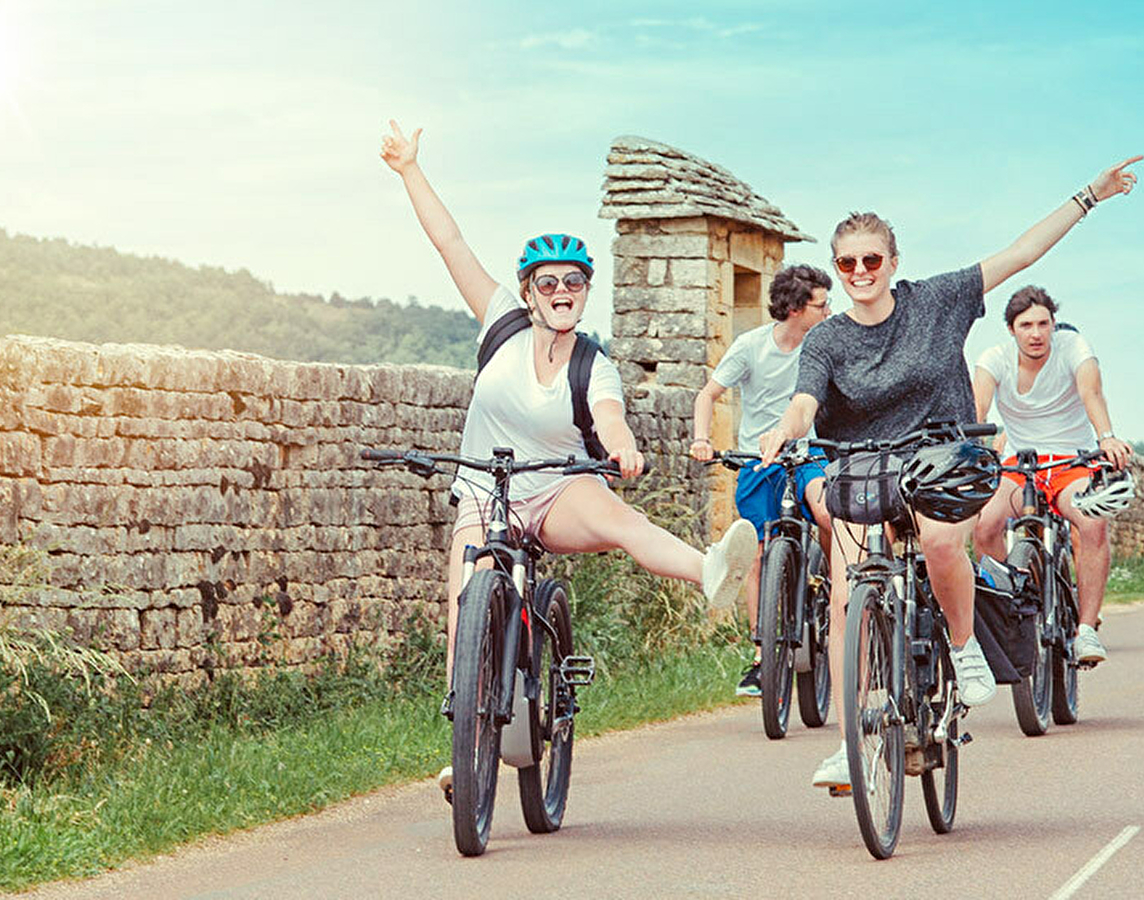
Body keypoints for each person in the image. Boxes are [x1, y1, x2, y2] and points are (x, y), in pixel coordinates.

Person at [379, 120, 758, 798]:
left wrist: (624, 448)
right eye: (548, 281)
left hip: (556, 489)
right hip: (484, 487)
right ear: (528, 290)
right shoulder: (498, 320)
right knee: (466, 604)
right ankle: (468, 743)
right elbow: (449, 242)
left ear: (585, 291)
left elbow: (609, 420)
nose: (561, 291)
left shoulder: (595, 365)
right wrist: (409, 168)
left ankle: (709, 571)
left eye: (574, 282)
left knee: (620, 522)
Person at [759, 154, 1140, 792]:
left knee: (939, 542)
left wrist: (1090, 196)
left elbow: (1020, 253)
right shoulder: (827, 340)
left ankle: (964, 651)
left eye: (871, 261)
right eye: (847, 263)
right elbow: (804, 403)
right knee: (848, 595)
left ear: (893, 263)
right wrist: (785, 429)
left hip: (946, 454)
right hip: (866, 464)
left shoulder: (936, 300)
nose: (859, 273)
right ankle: (851, 741)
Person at [691, 265, 835, 697]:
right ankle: (761, 656)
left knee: (828, 514)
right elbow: (707, 394)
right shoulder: (751, 347)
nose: (830, 311)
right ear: (794, 309)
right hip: (759, 461)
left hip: (809, 454)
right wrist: (701, 439)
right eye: (822, 304)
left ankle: (836, 585)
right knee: (756, 554)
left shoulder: (824, 346)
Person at [972, 286, 1135, 664]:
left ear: (1053, 324)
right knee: (985, 527)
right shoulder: (995, 358)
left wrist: (1106, 436)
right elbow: (978, 405)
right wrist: (968, 440)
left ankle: (1087, 629)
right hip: (1019, 465)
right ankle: (1007, 611)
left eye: (1043, 323)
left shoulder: (1073, 347)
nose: (1036, 333)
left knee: (1091, 522)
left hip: (1069, 462)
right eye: (1026, 325)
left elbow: (1091, 391)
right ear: (1011, 329)